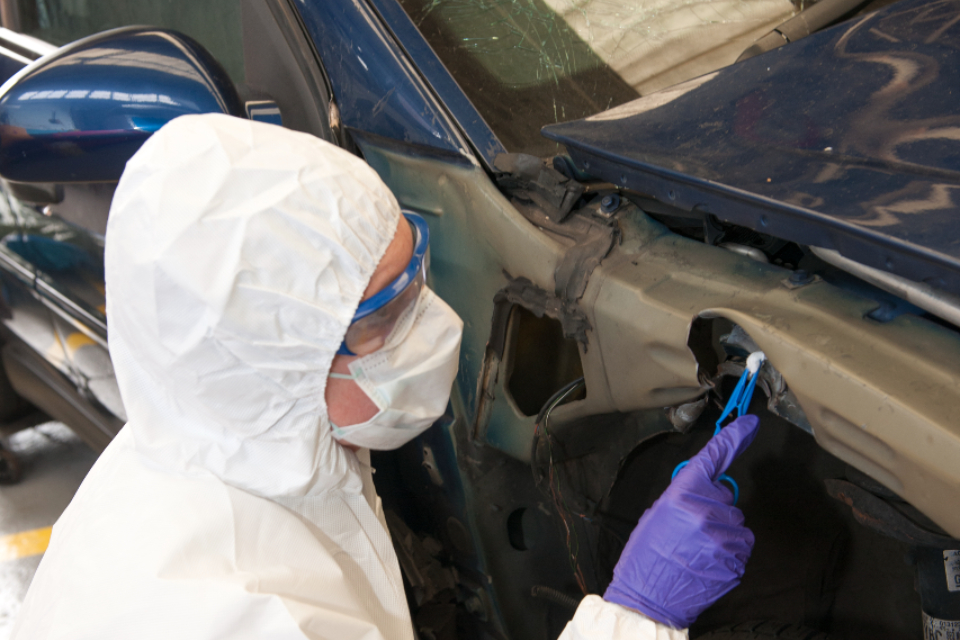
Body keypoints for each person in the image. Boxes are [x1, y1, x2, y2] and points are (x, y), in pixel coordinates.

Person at [11, 113, 757, 640]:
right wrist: (634, 618)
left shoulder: (226, 436)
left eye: (413, 276)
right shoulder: (230, 614)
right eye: (382, 313)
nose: (432, 324)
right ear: (277, 358)